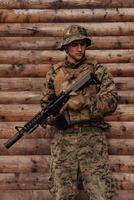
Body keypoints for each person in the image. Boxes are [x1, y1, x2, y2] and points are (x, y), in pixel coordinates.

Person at [40, 25, 118, 200]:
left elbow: (112, 100)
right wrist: (53, 116)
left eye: (82, 44)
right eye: (74, 44)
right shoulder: (54, 73)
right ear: (66, 47)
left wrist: (84, 101)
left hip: (93, 140)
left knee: (101, 194)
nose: (79, 48)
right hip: (63, 141)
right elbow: (45, 105)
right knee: (62, 194)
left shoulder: (98, 71)